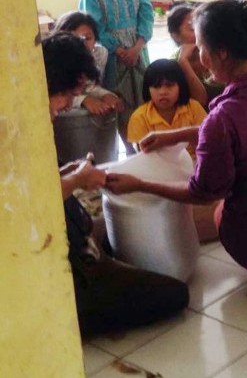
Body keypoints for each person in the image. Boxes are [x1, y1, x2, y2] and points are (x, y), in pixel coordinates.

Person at [106, 0, 247, 299]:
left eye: (200, 47)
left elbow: (203, 193)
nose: (199, 55)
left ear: (221, 52)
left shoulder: (222, 119)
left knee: (221, 212)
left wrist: (140, 184)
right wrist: (173, 136)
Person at [43, 32, 188, 337]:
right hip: (55, 272)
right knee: (175, 295)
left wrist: (68, 172)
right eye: (70, 92)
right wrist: (78, 179)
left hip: (71, 248)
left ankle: (97, 260)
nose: (70, 103)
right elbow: (36, 202)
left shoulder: (39, 115)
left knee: (111, 238)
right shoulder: (22, 123)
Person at [79, 0, 154, 152]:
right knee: (119, 100)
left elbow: (147, 19)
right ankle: (129, 150)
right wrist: (120, 50)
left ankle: (146, 146)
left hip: (139, 53)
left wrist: (137, 47)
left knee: (143, 96)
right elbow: (94, 27)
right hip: (111, 57)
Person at [126, 59, 207, 158]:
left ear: (180, 86)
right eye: (156, 86)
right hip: (157, 168)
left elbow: (207, 141)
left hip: (195, 164)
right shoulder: (139, 117)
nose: (163, 92)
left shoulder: (194, 107)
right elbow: (143, 155)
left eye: (169, 85)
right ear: (148, 89)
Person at [53, 11, 123, 116]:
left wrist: (105, 95)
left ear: (96, 39)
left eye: (88, 38)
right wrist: (83, 99)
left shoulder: (100, 54)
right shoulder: (55, 60)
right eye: (75, 39)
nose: (82, 44)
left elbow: (90, 87)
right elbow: (53, 96)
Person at [167, 4, 223, 107]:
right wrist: (183, 62)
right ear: (175, 36)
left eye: (201, 27)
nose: (201, 32)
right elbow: (200, 101)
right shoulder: (171, 65)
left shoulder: (217, 54)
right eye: (192, 29)